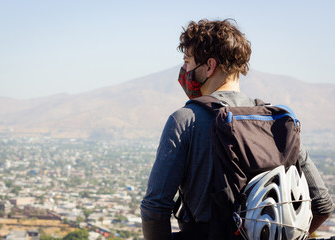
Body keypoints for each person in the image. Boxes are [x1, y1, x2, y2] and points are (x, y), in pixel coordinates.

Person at [140, 19, 333, 240]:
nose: (184, 69)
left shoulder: (186, 120)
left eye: (188, 61)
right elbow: (322, 205)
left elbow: (154, 209)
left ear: (209, 66)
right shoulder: (279, 122)